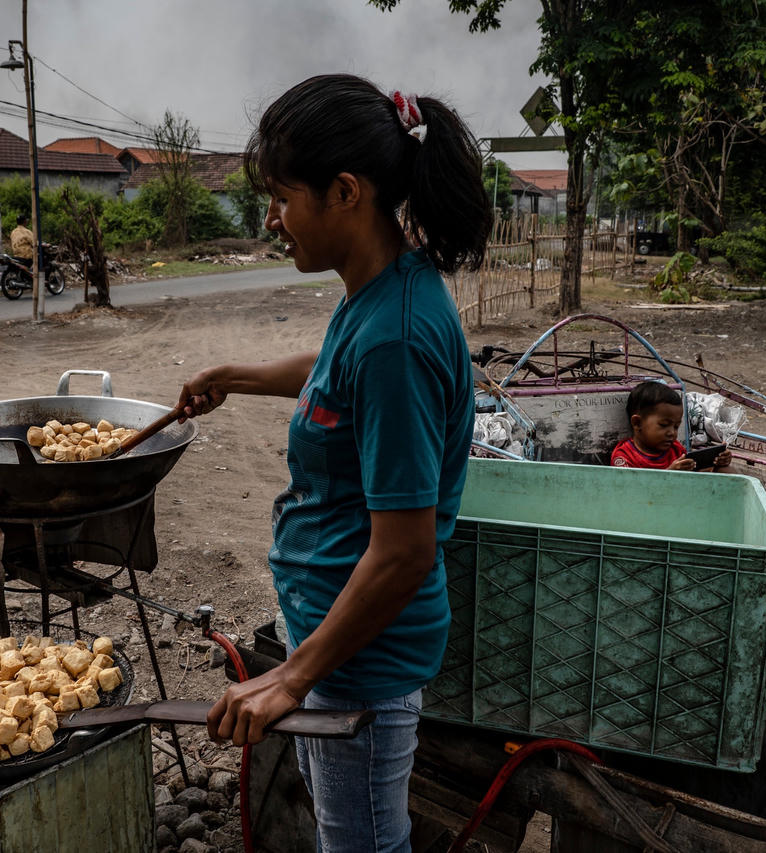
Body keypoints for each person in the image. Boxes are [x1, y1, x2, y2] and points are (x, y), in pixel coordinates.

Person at [176, 75, 491, 852]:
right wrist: (236, 376)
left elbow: (405, 550)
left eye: (282, 199)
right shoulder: (378, 292)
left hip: (360, 662)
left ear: (345, 192)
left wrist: (292, 676)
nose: (271, 220)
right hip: (334, 643)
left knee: (363, 843)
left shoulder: (397, 336)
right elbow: (331, 372)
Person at [611, 381, 732, 471]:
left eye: (676, 427)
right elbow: (629, 490)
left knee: (725, 470)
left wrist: (717, 462)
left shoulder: (675, 449)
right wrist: (670, 474)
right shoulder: (624, 456)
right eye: (664, 425)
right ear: (637, 423)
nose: (672, 433)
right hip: (648, 498)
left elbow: (695, 475)